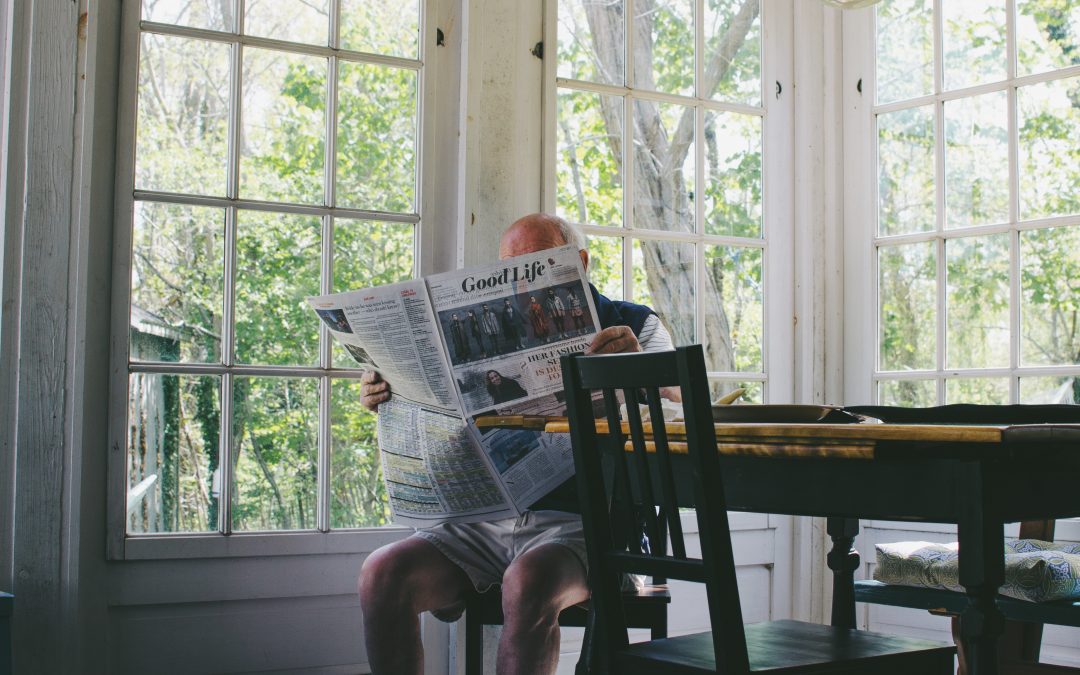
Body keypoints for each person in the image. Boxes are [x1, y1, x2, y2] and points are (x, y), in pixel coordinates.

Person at [357, 213, 676, 675]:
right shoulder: (480, 330)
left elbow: (684, 405)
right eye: (510, 269)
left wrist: (640, 368)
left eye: (538, 265)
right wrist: (383, 391)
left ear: (580, 263)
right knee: (381, 574)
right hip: (480, 521)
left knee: (528, 582)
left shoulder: (633, 326)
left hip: (581, 525)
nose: (522, 284)